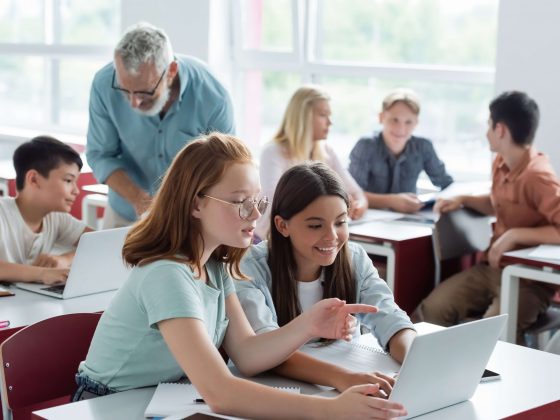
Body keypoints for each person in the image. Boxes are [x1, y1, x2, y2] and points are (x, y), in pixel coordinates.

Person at [74, 133, 407, 419]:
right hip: (108, 406)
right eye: (240, 203)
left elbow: (248, 355)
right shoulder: (167, 274)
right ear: (196, 205)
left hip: (160, 399)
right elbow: (221, 392)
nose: (257, 214)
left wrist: (309, 324)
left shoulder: (216, 266)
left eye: (257, 201)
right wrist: (330, 410)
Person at [237, 162, 416, 392]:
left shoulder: (354, 258)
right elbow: (266, 350)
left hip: (338, 386)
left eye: (341, 222)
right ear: (282, 226)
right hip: (275, 392)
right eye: (315, 225)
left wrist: (414, 361)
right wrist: (343, 378)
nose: (331, 236)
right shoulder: (251, 267)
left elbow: (392, 319)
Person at [412, 91, 560, 344]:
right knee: (431, 311)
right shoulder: (501, 163)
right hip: (491, 269)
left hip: (528, 280)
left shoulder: (538, 176)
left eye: (489, 125)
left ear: (500, 129)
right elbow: (498, 204)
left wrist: (515, 235)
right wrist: (464, 199)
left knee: (493, 335)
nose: (486, 133)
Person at [86, 22, 234, 229]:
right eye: (124, 90)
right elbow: (100, 154)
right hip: (127, 210)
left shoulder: (213, 97)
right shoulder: (104, 84)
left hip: (188, 217)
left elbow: (225, 167)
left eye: (144, 92)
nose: (133, 102)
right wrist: (139, 199)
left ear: (171, 71)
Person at [256, 85, 368, 240]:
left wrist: (358, 206)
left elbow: (357, 193)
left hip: (313, 237)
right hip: (272, 239)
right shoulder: (273, 152)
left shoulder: (327, 151)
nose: (330, 122)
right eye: (323, 115)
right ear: (302, 117)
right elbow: (277, 203)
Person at [0, 136, 89, 284]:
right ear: (34, 179)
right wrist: (42, 273)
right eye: (68, 180)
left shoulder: (56, 217)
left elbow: (103, 242)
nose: (76, 191)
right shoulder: (3, 213)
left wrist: (65, 259)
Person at [349, 88, 453, 213]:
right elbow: (352, 194)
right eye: (395, 120)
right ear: (381, 117)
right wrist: (392, 201)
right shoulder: (366, 146)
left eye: (408, 122)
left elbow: (447, 184)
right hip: (370, 219)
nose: (401, 128)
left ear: (416, 123)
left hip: (409, 221)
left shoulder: (423, 147)